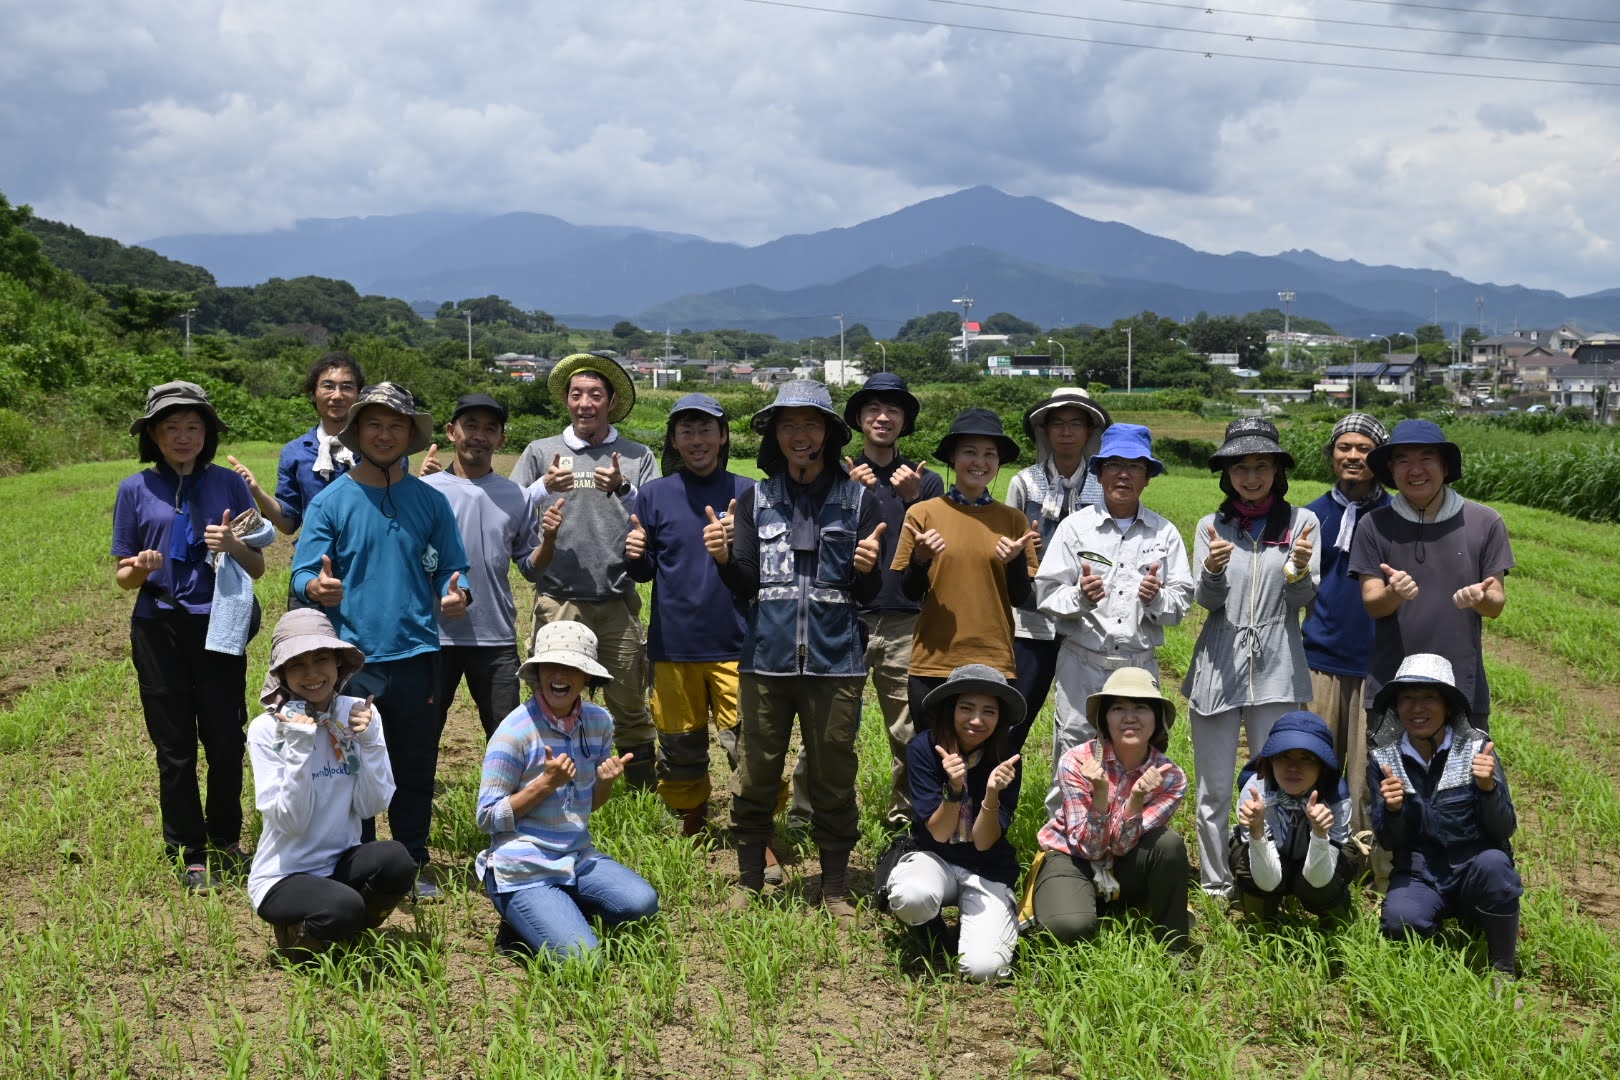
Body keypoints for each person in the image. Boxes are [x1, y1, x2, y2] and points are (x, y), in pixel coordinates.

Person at [290, 382, 471, 901]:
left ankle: (413, 859)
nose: (386, 434)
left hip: (418, 653)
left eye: (396, 425)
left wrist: (457, 595)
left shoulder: (431, 502)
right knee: (353, 767)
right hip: (354, 660)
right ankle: (363, 865)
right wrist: (315, 587)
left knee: (416, 763)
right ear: (357, 431)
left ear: (411, 434)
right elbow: (303, 572)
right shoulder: (331, 501)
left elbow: (453, 569)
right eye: (375, 424)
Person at [711, 380, 884, 919]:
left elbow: (874, 594)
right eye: (789, 425)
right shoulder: (756, 500)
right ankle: (748, 880)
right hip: (767, 658)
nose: (800, 435)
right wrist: (722, 558)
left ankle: (833, 887)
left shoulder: (860, 498)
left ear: (830, 434)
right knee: (758, 769)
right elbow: (745, 584)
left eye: (811, 424)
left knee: (835, 771)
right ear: (776, 435)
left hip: (837, 662)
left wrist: (868, 570)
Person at [113, 381, 268, 891]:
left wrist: (231, 544)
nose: (183, 437)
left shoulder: (229, 485)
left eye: (192, 427)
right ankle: (186, 848)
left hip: (220, 619)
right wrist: (140, 567)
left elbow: (258, 565)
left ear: (207, 434)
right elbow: (123, 575)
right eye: (171, 428)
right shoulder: (135, 489)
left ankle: (225, 837)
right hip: (158, 625)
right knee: (173, 743)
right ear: (154, 436)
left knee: (225, 737)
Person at [509, 353, 660, 787]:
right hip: (559, 598)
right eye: (577, 394)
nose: (585, 403)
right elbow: (511, 510)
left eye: (595, 394)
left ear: (611, 401)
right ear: (566, 401)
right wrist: (542, 488)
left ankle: (639, 788)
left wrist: (623, 488)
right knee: (550, 700)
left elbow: (655, 517)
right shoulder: (541, 453)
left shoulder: (636, 455)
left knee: (629, 699)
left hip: (617, 599)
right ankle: (548, 785)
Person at [1185, 417, 1320, 899]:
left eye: (1261, 466)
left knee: (1281, 782)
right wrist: (1214, 571)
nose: (1251, 476)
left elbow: (1302, 598)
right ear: (1227, 473)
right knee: (1216, 787)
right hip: (1218, 666)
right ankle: (1217, 882)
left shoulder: (1303, 523)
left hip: (1278, 666)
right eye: (1240, 467)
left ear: (1277, 470)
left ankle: (1271, 878)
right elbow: (1207, 601)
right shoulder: (1210, 526)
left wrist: (1299, 570)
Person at [1034, 422, 1193, 818]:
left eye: (1135, 466)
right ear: (1100, 472)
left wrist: (1156, 599)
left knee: (1137, 764)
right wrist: (1080, 598)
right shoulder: (1076, 528)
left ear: (1147, 477)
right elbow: (1047, 593)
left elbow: (1182, 603)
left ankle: (1129, 848)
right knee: (1071, 760)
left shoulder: (1165, 533)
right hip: (1082, 663)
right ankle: (1063, 857)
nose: (1124, 474)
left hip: (1138, 668)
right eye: (1115, 465)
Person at [476, 621, 659, 959]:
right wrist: (545, 784)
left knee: (643, 903)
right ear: (538, 672)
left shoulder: (598, 722)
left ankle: (554, 912)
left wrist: (604, 782)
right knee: (583, 959)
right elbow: (487, 818)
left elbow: (589, 805)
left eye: (571, 667)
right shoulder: (513, 732)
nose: (560, 675)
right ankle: (522, 916)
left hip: (575, 858)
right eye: (551, 665)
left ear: (586, 676)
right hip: (524, 867)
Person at [247, 608, 417, 956]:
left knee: (398, 860)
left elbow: (373, 806)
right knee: (344, 907)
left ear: (339, 663)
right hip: (283, 877)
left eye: (321, 659)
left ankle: (340, 931)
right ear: (282, 673)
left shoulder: (357, 714)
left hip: (339, 863)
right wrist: (298, 748)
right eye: (297, 664)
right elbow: (290, 823)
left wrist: (369, 742)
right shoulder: (267, 730)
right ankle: (299, 939)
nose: (311, 674)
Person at [624, 393, 756, 836]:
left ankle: (756, 828)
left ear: (722, 436)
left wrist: (734, 550)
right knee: (679, 743)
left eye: (706, 430)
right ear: (674, 441)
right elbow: (643, 572)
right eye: (687, 432)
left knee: (750, 744)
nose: (697, 440)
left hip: (736, 643)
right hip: (673, 644)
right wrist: (634, 554)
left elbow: (756, 578)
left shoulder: (747, 494)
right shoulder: (653, 495)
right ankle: (691, 820)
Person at [1351, 419, 1513, 730]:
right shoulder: (1373, 525)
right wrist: (1393, 593)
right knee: (1390, 779)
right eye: (1403, 460)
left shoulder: (1485, 522)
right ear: (1391, 469)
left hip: (1462, 688)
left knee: (1463, 778)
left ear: (1445, 466)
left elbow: (1496, 604)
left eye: (1426, 458)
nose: (1415, 470)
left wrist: (1480, 599)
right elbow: (1373, 604)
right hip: (1392, 685)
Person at [891, 408, 1040, 744]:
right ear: (953, 458)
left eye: (990, 454)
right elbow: (908, 591)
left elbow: (1021, 597)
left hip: (994, 659)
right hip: (935, 661)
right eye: (970, 452)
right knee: (934, 759)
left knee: (985, 763)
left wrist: (1015, 562)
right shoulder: (923, 513)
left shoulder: (1013, 520)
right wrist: (921, 558)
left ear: (998, 463)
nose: (980, 462)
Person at [1369, 654, 1521, 980]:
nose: (1416, 708)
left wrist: (1487, 789)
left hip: (1474, 863)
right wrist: (1393, 811)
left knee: (1495, 867)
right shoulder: (1384, 757)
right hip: (1420, 869)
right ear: (1396, 705)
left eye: (1428, 697)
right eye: (1407, 697)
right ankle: (1438, 939)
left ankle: (1502, 970)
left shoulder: (1478, 748)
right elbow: (1388, 840)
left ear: (1448, 706)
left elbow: (1505, 827)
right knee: (1400, 920)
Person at [840, 373, 944, 833]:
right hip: (845, 617)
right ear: (860, 419)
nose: (883, 418)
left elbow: (937, 551)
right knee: (831, 724)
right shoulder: (840, 475)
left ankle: (906, 814)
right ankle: (815, 812)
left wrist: (912, 500)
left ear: (905, 422)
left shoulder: (928, 482)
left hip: (907, 618)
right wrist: (848, 495)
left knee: (907, 728)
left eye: (893, 411)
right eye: (873, 410)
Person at [1029, 666, 1190, 950]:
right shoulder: (1076, 761)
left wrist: (1137, 799)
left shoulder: (1170, 777)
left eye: (1141, 707)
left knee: (1169, 844)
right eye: (1118, 708)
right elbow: (1088, 849)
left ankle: (1175, 947)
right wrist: (1100, 794)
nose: (1129, 717)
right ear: (1104, 718)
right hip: (1073, 857)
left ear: (1157, 719)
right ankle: (1077, 901)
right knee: (1068, 928)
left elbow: (1121, 847)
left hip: (1124, 861)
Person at [882, 664, 1024, 982]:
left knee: (984, 970)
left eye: (989, 711)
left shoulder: (1007, 757)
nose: (976, 720)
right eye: (967, 708)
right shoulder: (924, 749)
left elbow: (985, 841)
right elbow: (939, 831)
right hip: (934, 856)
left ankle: (978, 923)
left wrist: (991, 794)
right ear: (951, 710)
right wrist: (954, 789)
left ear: (1000, 717)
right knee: (911, 895)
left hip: (987, 866)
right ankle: (931, 934)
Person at [422, 394, 550, 739]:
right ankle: (415, 794)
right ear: (451, 432)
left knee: (508, 736)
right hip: (432, 635)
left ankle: (505, 794)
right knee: (422, 732)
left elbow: (530, 568)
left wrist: (550, 540)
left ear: (501, 440)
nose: (480, 435)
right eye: (471, 425)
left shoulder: (517, 496)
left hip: (494, 636)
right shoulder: (424, 492)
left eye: (490, 428)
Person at [1301, 414, 1390, 837]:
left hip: (1378, 663)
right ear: (1332, 455)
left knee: (1368, 773)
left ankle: (1363, 860)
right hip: (1319, 658)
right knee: (1313, 763)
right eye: (1344, 447)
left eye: (1364, 449)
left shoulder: (1397, 516)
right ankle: (1312, 855)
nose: (1353, 456)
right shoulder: (1310, 517)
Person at [1005, 387, 1110, 719]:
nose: (1066, 432)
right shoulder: (1025, 483)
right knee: (1015, 715)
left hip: (1088, 619)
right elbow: (1006, 547)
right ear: (1045, 430)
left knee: (1083, 719)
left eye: (1076, 423)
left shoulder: (1102, 484)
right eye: (1058, 423)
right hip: (1030, 618)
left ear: (1089, 430)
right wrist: (1023, 552)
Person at [1230, 711, 1356, 924]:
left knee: (1318, 885)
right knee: (1249, 865)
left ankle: (1336, 919)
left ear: (1322, 766)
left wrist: (1320, 834)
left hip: (1316, 870)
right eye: (1284, 756)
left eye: (1307, 758)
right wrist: (1257, 830)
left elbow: (1318, 879)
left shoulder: (1337, 800)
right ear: (1270, 761)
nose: (1293, 768)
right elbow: (1267, 881)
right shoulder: (1255, 791)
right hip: (1270, 865)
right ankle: (1262, 920)